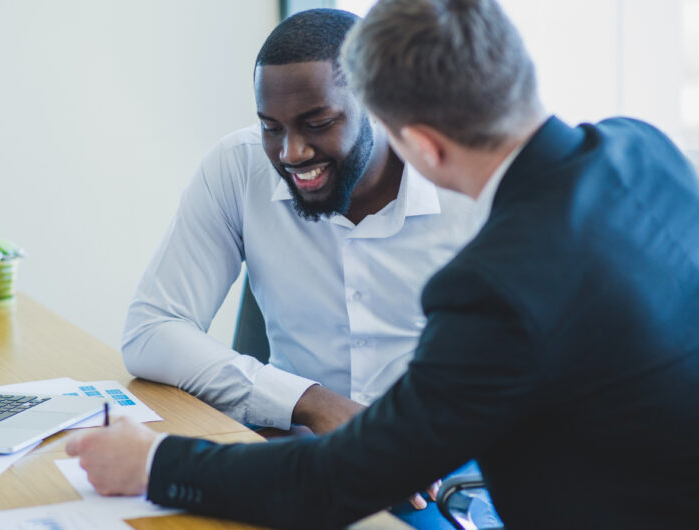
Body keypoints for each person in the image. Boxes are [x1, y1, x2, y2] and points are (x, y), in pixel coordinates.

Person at [68, 0, 699, 528]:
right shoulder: (643, 147)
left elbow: (342, 479)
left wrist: (154, 463)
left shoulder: (495, 286)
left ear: (416, 144)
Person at [122, 10, 474, 441]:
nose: (290, 153)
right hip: (299, 458)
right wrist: (310, 402)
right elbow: (151, 331)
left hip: (447, 467)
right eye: (271, 127)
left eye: (318, 124)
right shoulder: (238, 167)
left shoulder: (472, 185)